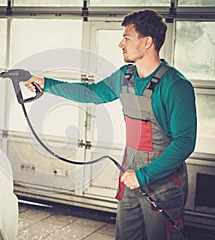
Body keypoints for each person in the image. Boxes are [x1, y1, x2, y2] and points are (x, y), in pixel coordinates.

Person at [25, 9, 197, 240]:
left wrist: (144, 175)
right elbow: (92, 93)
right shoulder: (124, 76)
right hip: (130, 179)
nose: (120, 44)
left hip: (163, 186)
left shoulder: (175, 86)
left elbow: (185, 143)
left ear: (147, 42)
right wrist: (47, 84)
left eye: (127, 38)